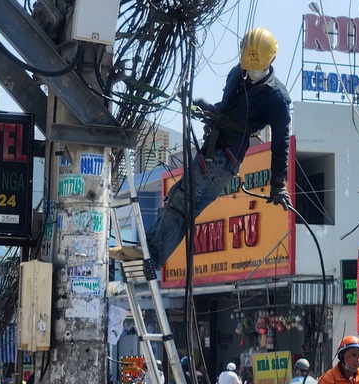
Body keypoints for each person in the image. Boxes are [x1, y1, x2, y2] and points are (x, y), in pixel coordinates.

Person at [110, 27, 292, 267]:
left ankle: (152, 256)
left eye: (256, 68)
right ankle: (150, 252)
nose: (251, 71)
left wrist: (278, 185)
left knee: (183, 201)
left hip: (225, 159)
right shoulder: (238, 73)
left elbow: (282, 143)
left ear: (272, 61)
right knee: (179, 199)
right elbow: (227, 109)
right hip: (213, 149)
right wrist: (206, 108)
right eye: (247, 65)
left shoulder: (277, 97)